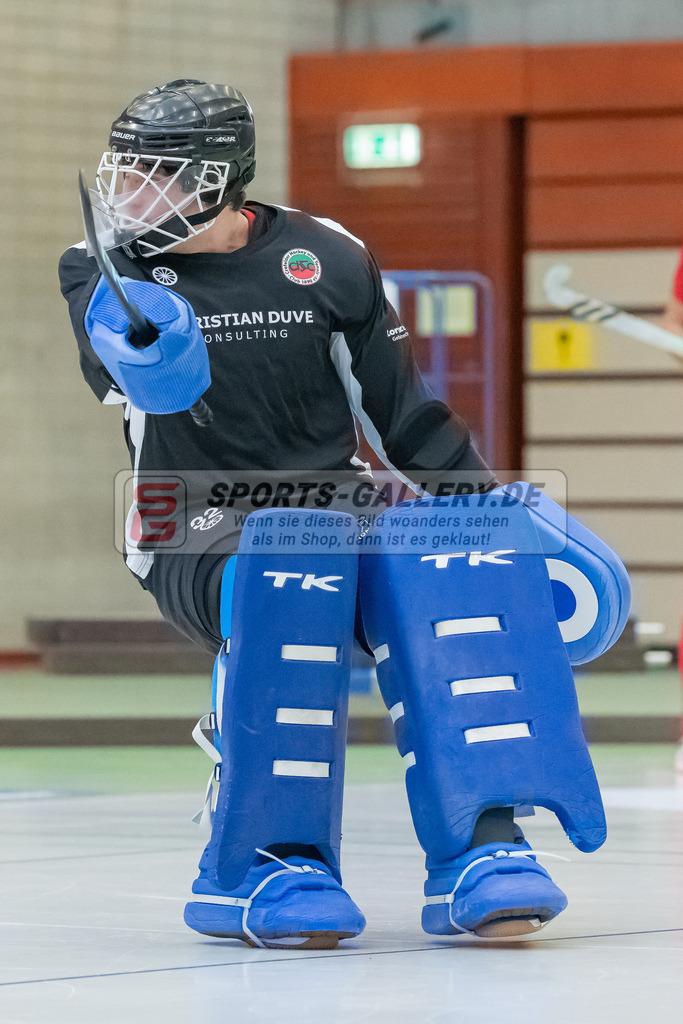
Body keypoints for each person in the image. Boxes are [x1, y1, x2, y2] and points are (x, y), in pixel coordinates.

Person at [59, 80, 630, 949]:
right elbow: (140, 377)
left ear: (219, 179)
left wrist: (490, 521)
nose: (132, 194)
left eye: (159, 175)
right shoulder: (104, 266)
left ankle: (482, 846)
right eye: (126, 171)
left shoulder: (327, 256)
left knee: (449, 567)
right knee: (289, 573)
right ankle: (267, 860)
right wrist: (149, 345)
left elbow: (402, 417)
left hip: (337, 507)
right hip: (195, 526)